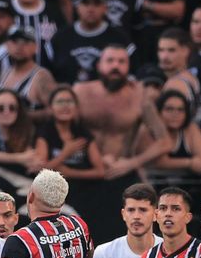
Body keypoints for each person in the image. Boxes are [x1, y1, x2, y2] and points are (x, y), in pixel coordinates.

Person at [73, 45, 170, 179]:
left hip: (118, 170)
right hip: (82, 167)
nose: (115, 66)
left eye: (121, 61)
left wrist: (133, 162)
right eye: (110, 60)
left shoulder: (139, 96)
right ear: (99, 65)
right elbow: (63, 127)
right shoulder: (80, 91)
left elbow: (164, 142)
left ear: (128, 67)